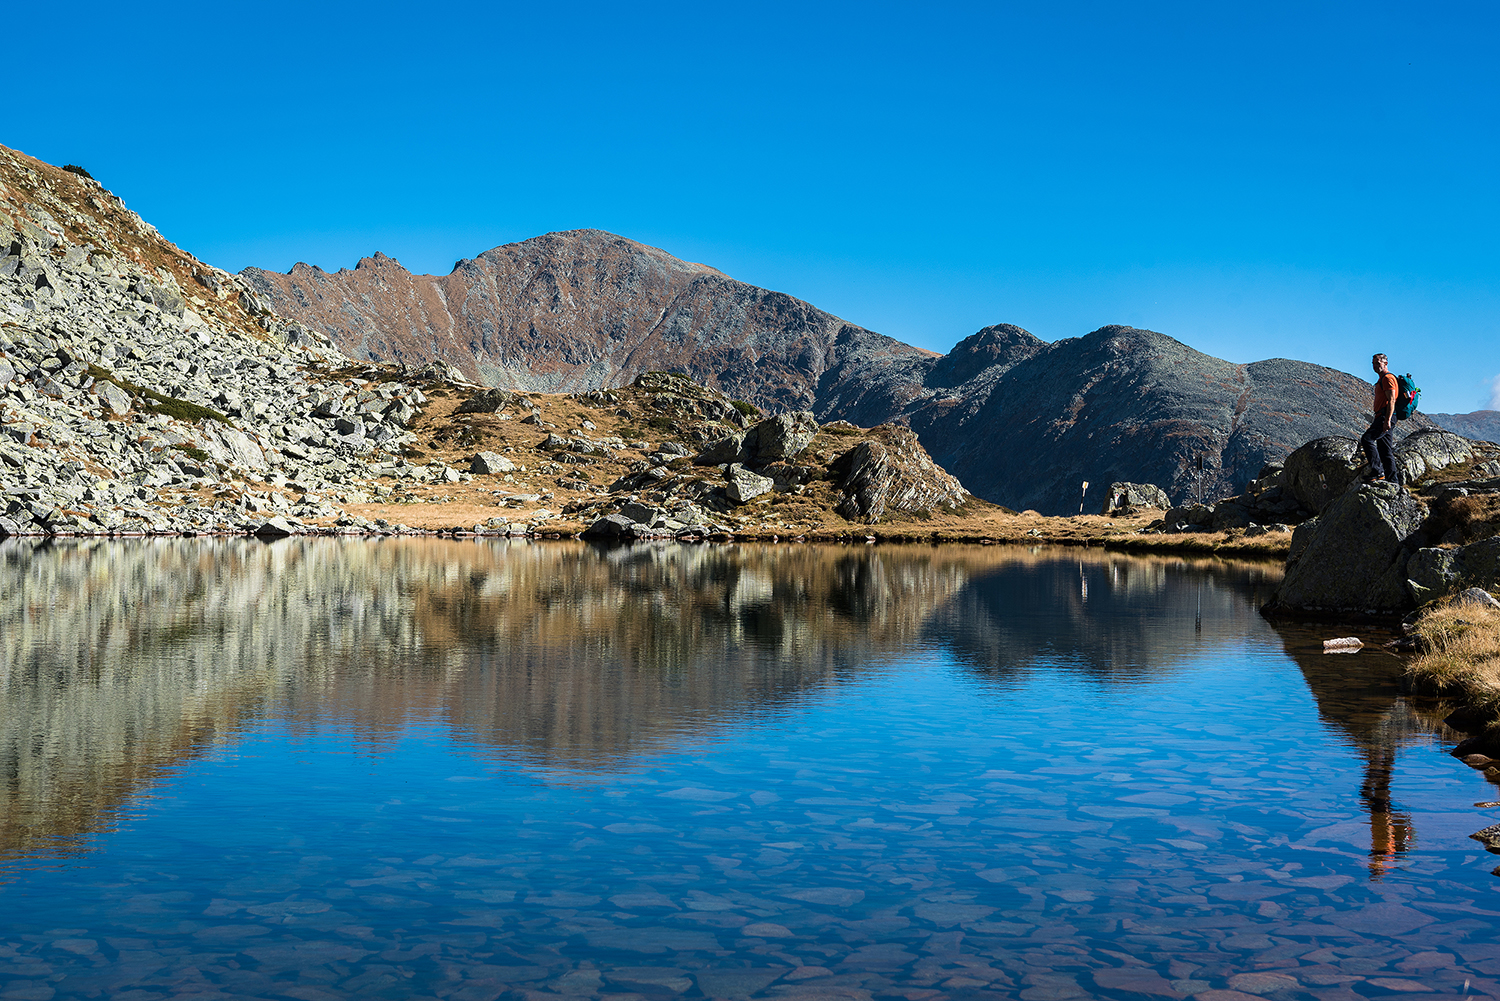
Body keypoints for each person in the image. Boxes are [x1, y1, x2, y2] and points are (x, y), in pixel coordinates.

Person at [1362, 353, 1400, 483]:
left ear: (1385, 363)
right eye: (1373, 363)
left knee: (1367, 439)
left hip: (1385, 416)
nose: (1375, 366)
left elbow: (1391, 400)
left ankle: (1378, 472)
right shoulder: (1382, 379)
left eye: (1378, 363)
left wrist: (1387, 420)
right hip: (1384, 416)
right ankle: (1393, 481)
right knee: (1385, 450)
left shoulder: (1387, 378)